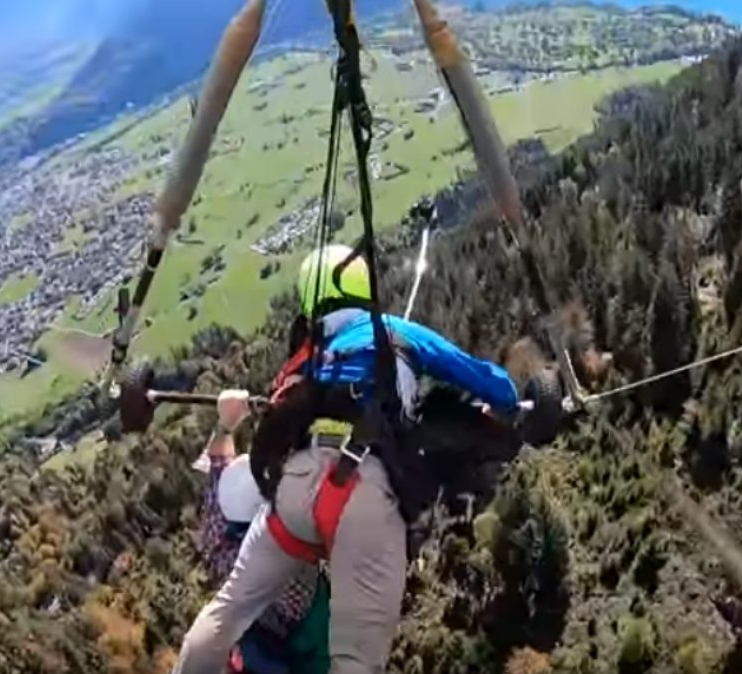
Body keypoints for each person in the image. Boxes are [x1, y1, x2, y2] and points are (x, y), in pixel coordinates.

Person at [173, 243, 537, 674]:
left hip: (294, 489)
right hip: (364, 493)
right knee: (355, 663)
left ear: (311, 302)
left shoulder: (303, 359)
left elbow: (277, 422)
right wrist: (517, 398)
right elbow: (493, 386)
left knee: (229, 608)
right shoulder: (393, 331)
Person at [193, 389, 331, 674]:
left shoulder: (217, 539)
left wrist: (225, 423)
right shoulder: (291, 564)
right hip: (304, 642)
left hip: (254, 637)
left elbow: (218, 466)